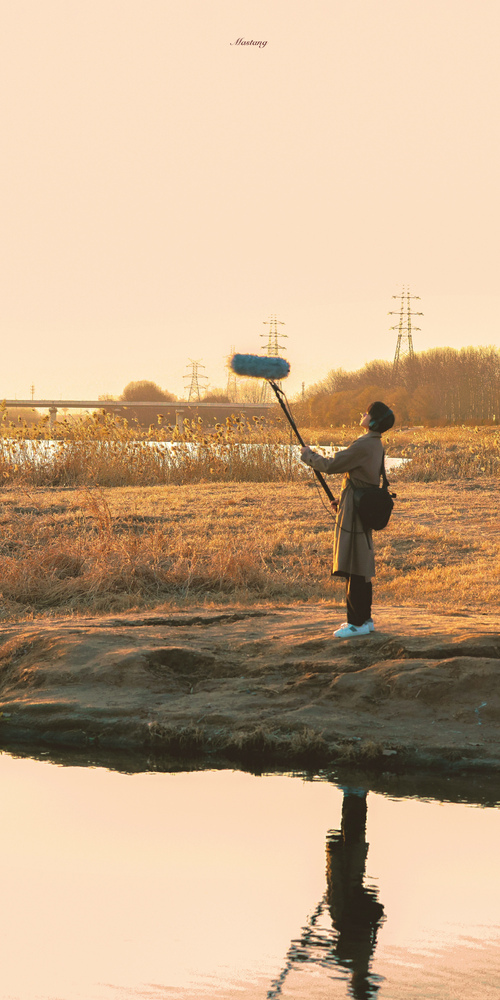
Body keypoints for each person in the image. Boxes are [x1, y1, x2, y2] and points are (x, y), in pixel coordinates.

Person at [300, 401, 395, 638]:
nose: (362, 414)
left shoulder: (364, 444)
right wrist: (343, 501)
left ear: (373, 421)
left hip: (356, 511)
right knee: (359, 563)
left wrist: (308, 455)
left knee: (356, 564)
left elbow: (331, 465)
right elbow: (362, 478)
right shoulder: (375, 443)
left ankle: (357, 623)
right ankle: (364, 620)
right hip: (356, 505)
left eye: (367, 413)